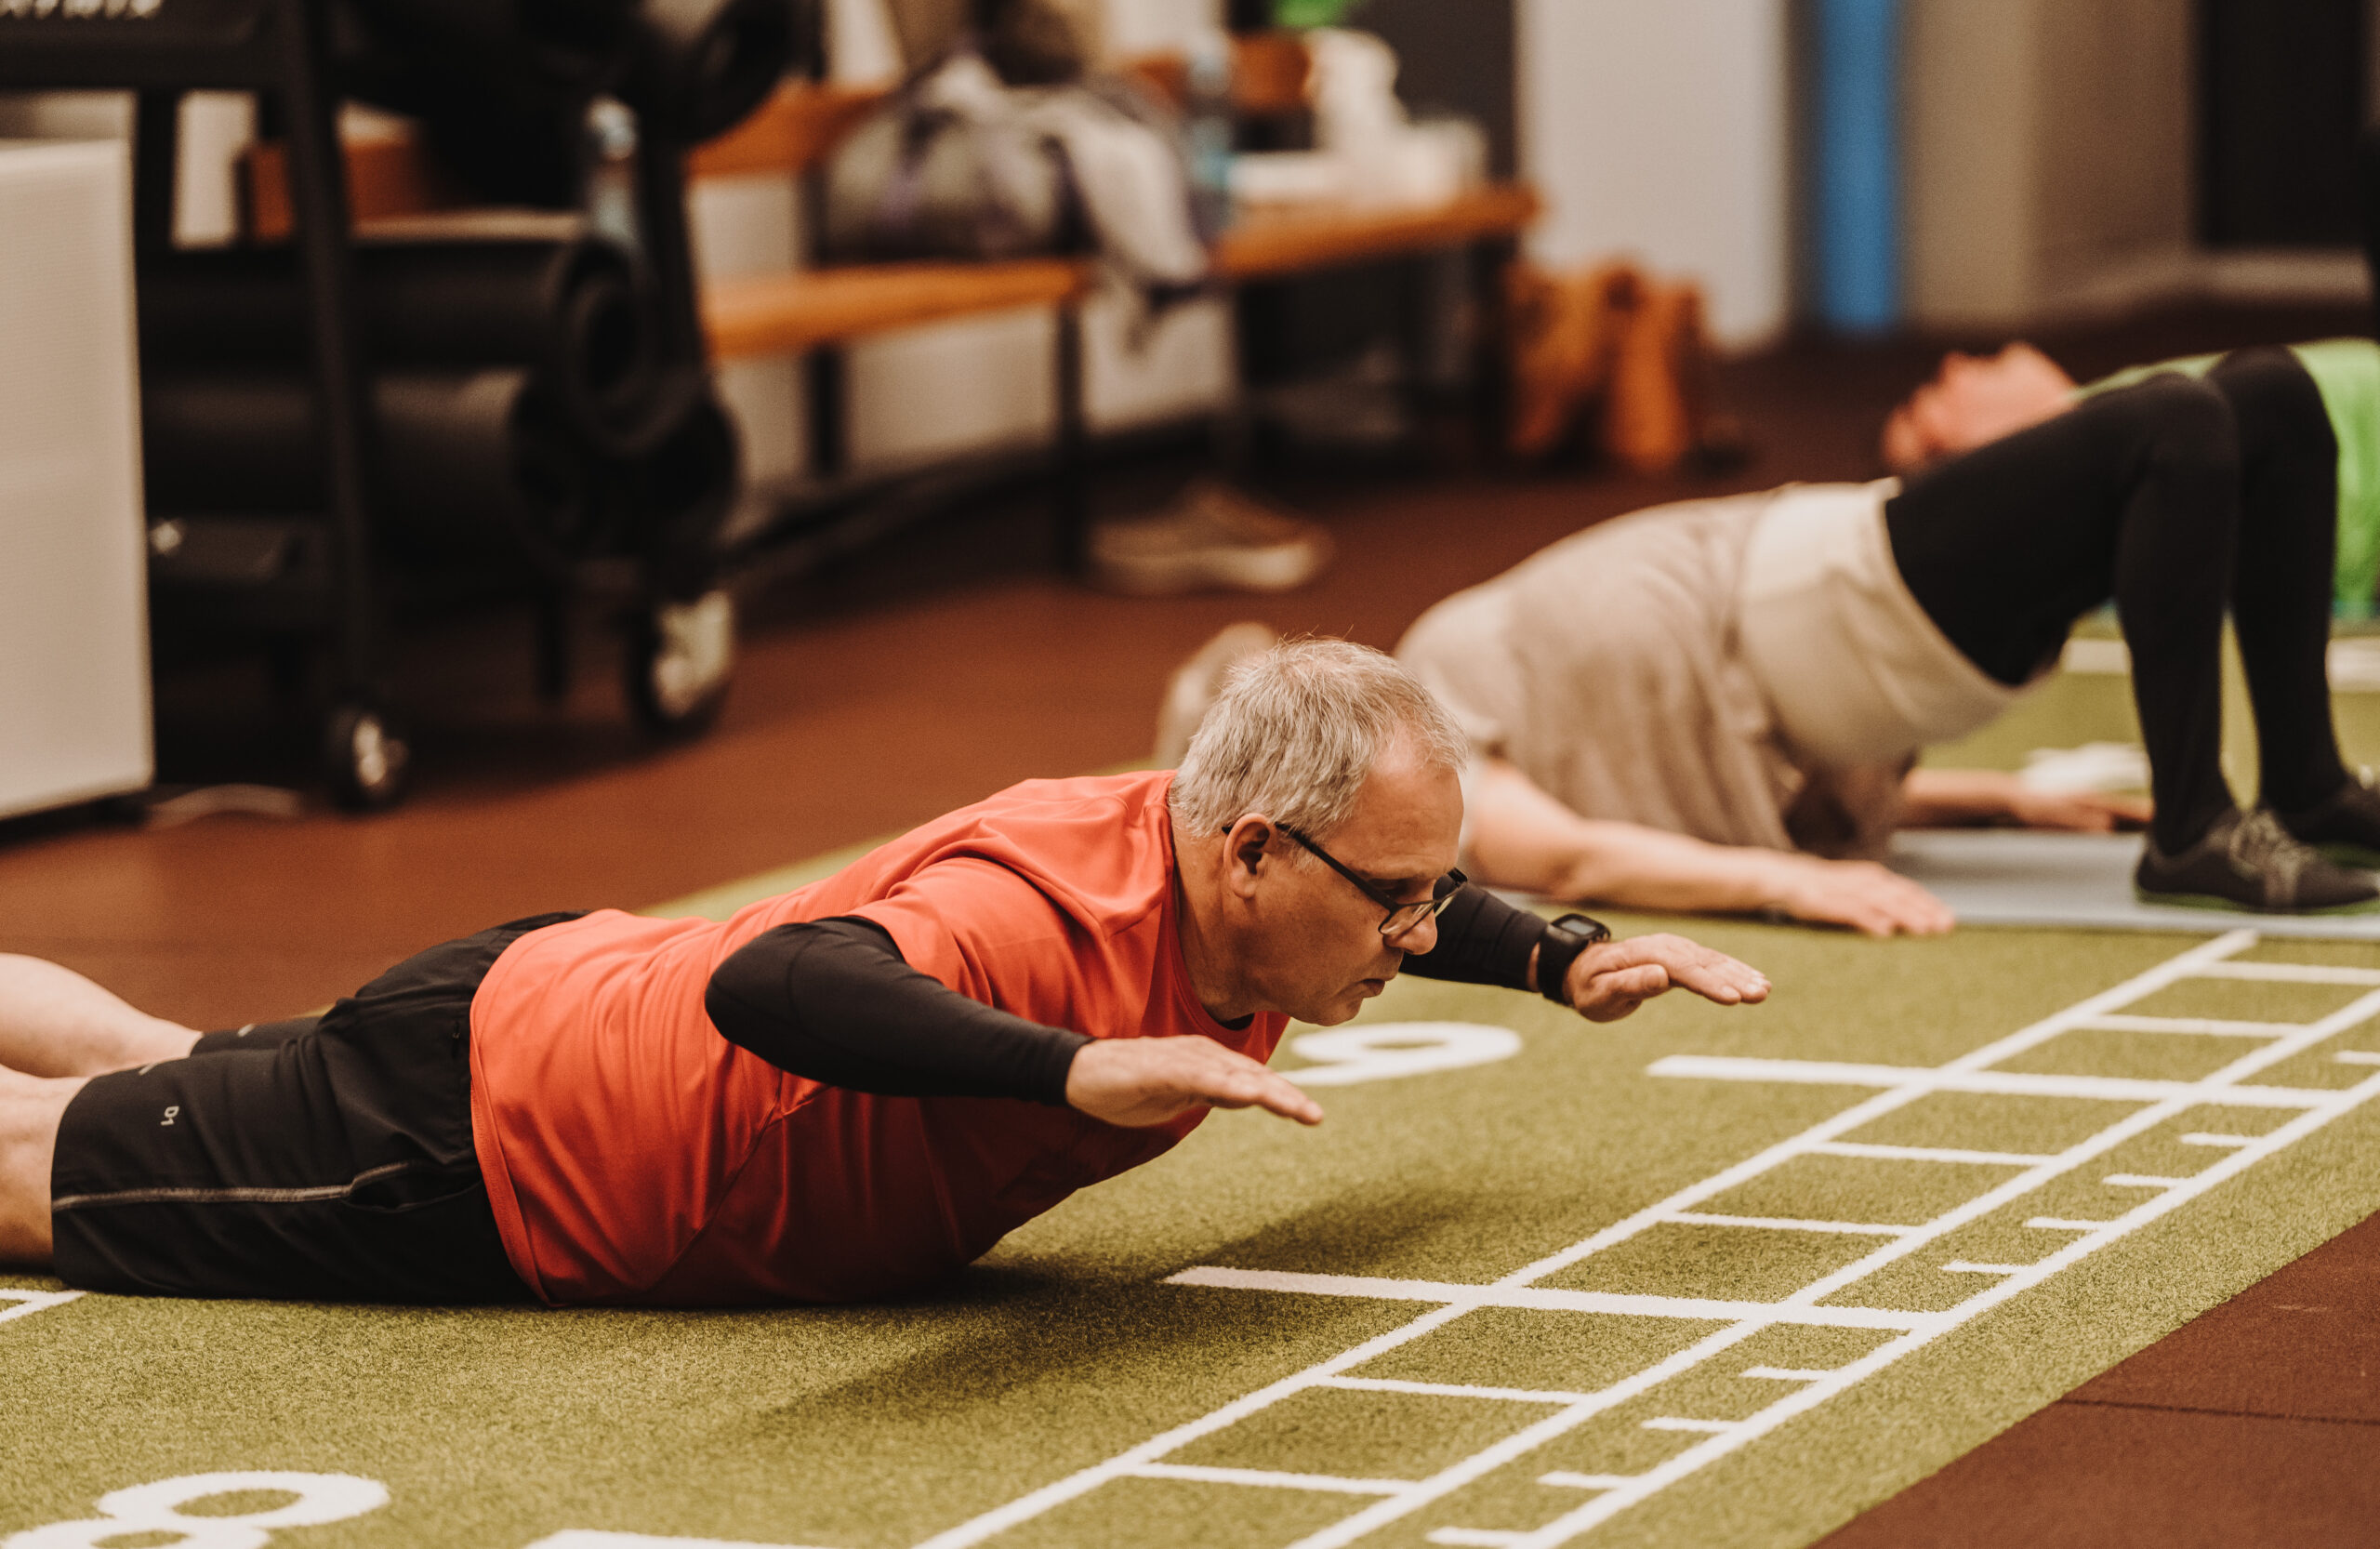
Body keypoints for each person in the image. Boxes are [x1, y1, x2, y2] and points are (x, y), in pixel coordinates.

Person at [0, 642, 1767, 1305]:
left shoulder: (1234, 845)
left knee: (154, 1077)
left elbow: (1394, 890)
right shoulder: (1034, 922)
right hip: (496, 1147)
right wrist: (1072, 1068)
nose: (1412, 931)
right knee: (38, 1175)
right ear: (1250, 850)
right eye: (1398, 901)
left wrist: (1559, 952)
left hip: (530, 1008)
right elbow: (780, 983)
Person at [1356, 351, 2380, 932]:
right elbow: (1564, 857)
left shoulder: (1426, 666)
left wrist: (1996, 803)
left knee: (2270, 400)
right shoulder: (1422, 772)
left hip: (1809, 582)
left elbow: (1626, 790)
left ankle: (2307, 786)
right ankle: (2196, 825)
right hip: (1809, 618)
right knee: (2173, 423)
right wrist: (1786, 882)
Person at [1882, 337, 2380, 618]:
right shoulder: (2139, 484)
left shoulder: (2130, 407)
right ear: (1983, 456)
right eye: (1937, 401)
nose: (1954, 365)